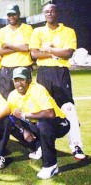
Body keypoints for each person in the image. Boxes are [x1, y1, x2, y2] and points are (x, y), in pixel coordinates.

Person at [30, 4, 86, 160]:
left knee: (68, 108)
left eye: (52, 11)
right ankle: (41, 146)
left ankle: (76, 145)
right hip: (43, 74)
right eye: (46, 11)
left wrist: (48, 50)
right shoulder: (37, 31)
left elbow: (68, 53)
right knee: (42, 110)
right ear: (44, 14)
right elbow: (34, 53)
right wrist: (56, 52)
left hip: (60, 73)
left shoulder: (68, 31)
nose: (49, 13)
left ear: (57, 13)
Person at [7, 67, 70, 179]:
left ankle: (51, 165)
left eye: (23, 80)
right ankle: (39, 147)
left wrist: (24, 115)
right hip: (35, 124)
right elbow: (12, 116)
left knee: (43, 123)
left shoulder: (38, 89)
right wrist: (23, 130)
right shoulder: (12, 95)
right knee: (8, 123)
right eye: (16, 80)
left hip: (60, 123)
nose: (19, 84)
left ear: (30, 80)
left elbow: (50, 113)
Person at [0, 4, 33, 99]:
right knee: (6, 97)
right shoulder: (2, 31)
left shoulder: (27, 29)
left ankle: (23, 114)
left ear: (19, 14)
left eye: (14, 14)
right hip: (6, 69)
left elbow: (27, 47)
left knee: (25, 96)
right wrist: (17, 48)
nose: (11, 17)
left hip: (24, 67)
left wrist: (8, 45)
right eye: (9, 15)